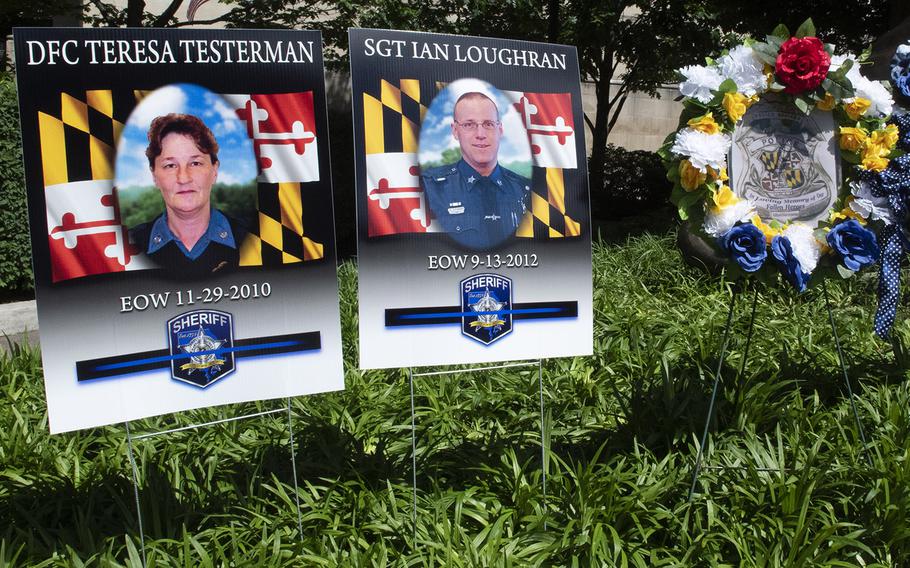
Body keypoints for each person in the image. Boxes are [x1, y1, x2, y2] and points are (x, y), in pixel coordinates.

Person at [130, 113, 247, 277]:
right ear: (154, 176)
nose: (183, 178)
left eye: (195, 163)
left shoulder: (254, 238)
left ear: (214, 170)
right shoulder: (128, 246)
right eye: (170, 165)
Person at [421, 91, 531, 250]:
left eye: (488, 124)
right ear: (455, 130)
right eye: (469, 125)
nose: (480, 134)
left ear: (499, 130)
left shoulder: (526, 190)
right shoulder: (429, 188)